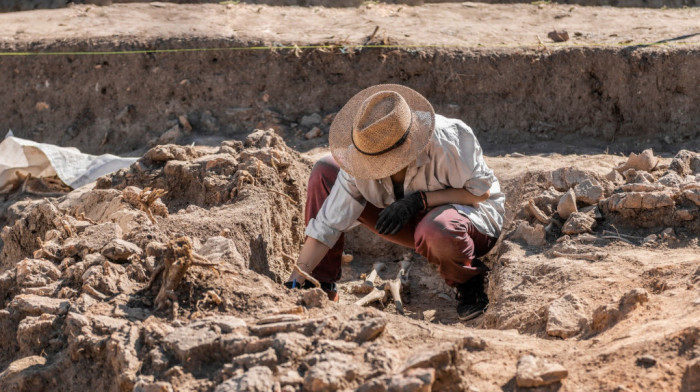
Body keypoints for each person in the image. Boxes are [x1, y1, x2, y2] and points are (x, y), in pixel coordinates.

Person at [284, 84, 505, 321]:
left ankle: (469, 283)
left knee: (437, 228)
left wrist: (420, 201)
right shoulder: (363, 151)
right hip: (409, 222)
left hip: (469, 220)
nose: (372, 169)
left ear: (407, 146)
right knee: (326, 170)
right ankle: (319, 285)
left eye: (382, 162)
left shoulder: (450, 139)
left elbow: (480, 193)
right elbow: (327, 223)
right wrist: (298, 277)